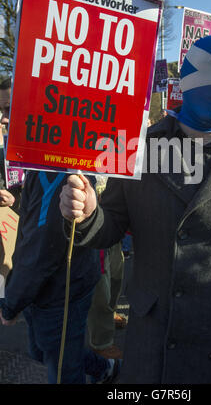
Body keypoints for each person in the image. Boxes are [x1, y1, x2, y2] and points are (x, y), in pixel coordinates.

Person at [60, 34, 211, 384]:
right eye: (206, 69)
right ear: (184, 77)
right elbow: (109, 228)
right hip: (156, 345)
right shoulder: (138, 151)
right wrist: (87, 212)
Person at [0, 169, 121, 384]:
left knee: (62, 367)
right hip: (46, 287)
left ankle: (103, 368)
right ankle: (104, 368)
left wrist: (12, 302)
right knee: (47, 352)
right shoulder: (41, 166)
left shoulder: (61, 170)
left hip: (58, 293)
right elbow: (33, 219)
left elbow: (42, 248)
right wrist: (17, 198)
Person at [87, 176, 126, 361]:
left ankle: (110, 315)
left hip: (113, 221)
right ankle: (101, 342)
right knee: (100, 289)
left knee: (116, 275)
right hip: (92, 224)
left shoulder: (115, 147)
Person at [0, 78, 22, 213]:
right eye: (2, 111)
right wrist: (11, 202)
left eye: (9, 109)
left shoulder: (58, 164)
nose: (3, 119)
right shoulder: (3, 155)